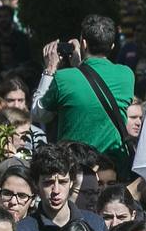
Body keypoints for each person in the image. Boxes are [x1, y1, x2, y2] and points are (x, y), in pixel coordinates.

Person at [32, 15, 134, 166]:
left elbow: (39, 114)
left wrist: (50, 69)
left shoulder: (63, 78)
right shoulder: (127, 75)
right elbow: (90, 89)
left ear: (83, 43)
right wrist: (79, 66)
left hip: (76, 168)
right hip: (113, 168)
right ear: (112, 46)